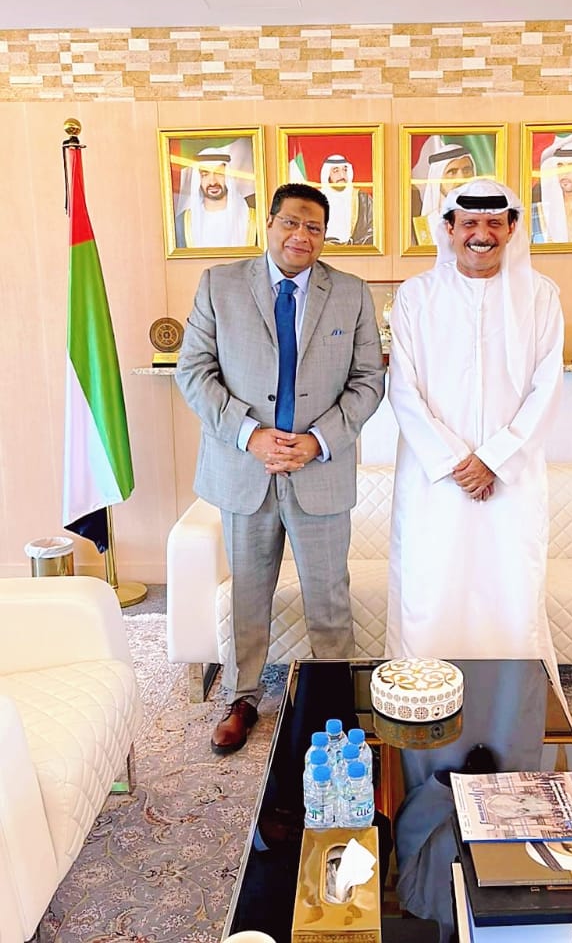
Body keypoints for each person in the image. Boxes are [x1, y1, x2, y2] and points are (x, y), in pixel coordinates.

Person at [176, 183, 385, 754]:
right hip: (245, 468)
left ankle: (333, 703)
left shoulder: (351, 293)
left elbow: (369, 381)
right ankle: (242, 698)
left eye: (314, 227)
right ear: (268, 224)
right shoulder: (219, 285)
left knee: (329, 598)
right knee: (248, 593)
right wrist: (250, 434)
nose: (301, 235)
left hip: (319, 470)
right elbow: (194, 371)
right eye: (291, 222)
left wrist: (318, 441)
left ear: (325, 236)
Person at [385, 178, 564, 678]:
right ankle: (422, 696)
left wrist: (494, 460)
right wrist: (456, 461)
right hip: (435, 481)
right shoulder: (416, 296)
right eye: (469, 224)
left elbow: (547, 388)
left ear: (512, 228)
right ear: (449, 229)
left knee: (511, 591)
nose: (481, 234)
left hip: (512, 481)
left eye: (492, 223)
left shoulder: (541, 297)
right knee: (431, 589)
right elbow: (403, 389)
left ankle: (511, 702)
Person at [175, 147, 257, 248]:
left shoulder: (252, 220)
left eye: (219, 174)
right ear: (198, 179)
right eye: (205, 175)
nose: (213, 182)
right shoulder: (182, 224)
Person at [412, 144, 476, 246]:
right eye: (452, 172)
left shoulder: (487, 218)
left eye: (466, 170)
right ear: (438, 179)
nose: (461, 178)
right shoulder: (425, 226)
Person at [319, 153, 374, 245]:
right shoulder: (315, 200)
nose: (342, 176)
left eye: (345, 170)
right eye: (336, 171)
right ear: (327, 175)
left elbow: (374, 230)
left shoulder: (362, 199)